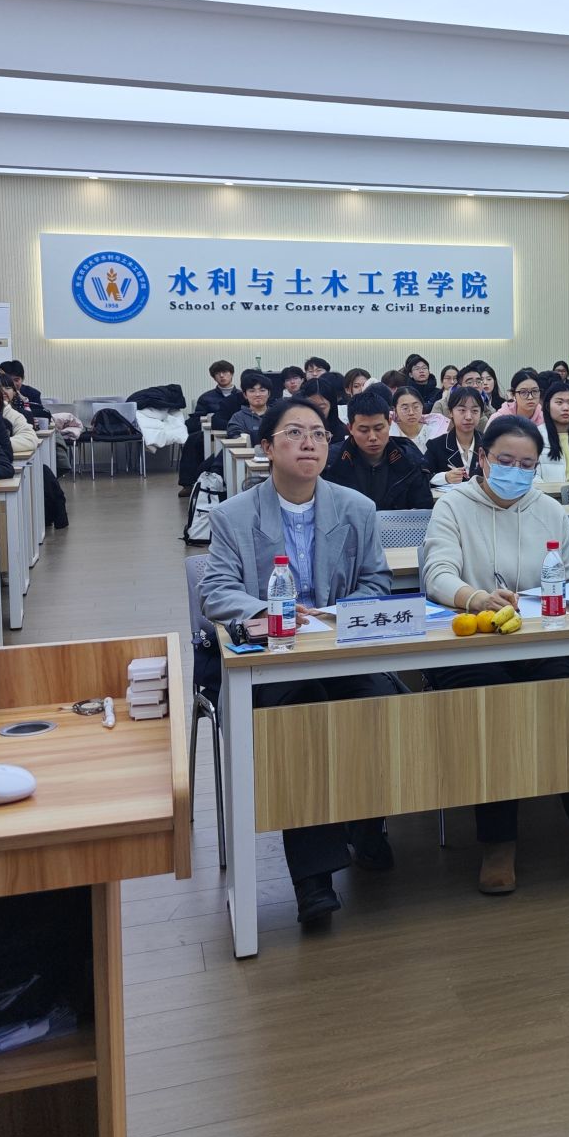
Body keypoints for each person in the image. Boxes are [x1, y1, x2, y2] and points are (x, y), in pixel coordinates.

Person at [201, 396, 401, 925]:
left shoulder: (355, 508)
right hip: (274, 662)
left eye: (318, 434)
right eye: (294, 433)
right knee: (305, 719)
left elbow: (377, 582)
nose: (309, 443)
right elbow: (216, 591)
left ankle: (366, 825)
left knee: (380, 702)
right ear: (267, 448)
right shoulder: (232, 516)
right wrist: (275, 611)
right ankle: (313, 880)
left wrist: (332, 616)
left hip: (340, 650)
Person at [421, 413, 569, 895]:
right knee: (494, 706)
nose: (515, 472)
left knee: (563, 699)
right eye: (505, 461)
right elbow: (437, 574)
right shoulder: (453, 505)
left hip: (540, 639)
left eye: (526, 465)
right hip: (473, 644)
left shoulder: (549, 509)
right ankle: (498, 842)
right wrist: (475, 598)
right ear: (482, 458)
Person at [322, 388, 434, 510]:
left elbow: (423, 511)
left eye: (379, 428)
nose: (372, 437)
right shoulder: (332, 462)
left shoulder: (410, 460)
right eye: (363, 430)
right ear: (350, 428)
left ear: (389, 423)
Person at [424, 384, 485, 486]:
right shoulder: (436, 446)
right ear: (451, 412)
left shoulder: (490, 444)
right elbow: (422, 477)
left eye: (475, 411)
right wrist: (445, 477)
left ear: (481, 413)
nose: (468, 417)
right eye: (462, 410)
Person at [539, 380, 569, 478]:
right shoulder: (536, 436)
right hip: (547, 488)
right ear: (547, 406)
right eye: (559, 402)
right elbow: (533, 476)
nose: (566, 408)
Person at [193, 359, 245, 431]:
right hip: (212, 433)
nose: (221, 375)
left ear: (231, 374)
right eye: (217, 373)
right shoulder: (205, 398)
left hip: (240, 432)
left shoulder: (243, 396)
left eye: (225, 372)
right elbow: (197, 421)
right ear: (214, 378)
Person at [224, 369, 275, 441]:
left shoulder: (277, 415)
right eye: (252, 391)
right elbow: (234, 434)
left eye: (262, 390)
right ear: (245, 395)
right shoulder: (238, 417)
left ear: (269, 393)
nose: (257, 394)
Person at [298, 377, 347, 441]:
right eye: (310, 407)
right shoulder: (294, 428)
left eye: (321, 408)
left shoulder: (341, 432)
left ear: (331, 406)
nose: (316, 412)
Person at [389, 383, 434, 450]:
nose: (411, 413)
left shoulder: (432, 433)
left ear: (422, 406)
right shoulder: (390, 433)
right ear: (395, 410)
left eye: (416, 407)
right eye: (405, 408)